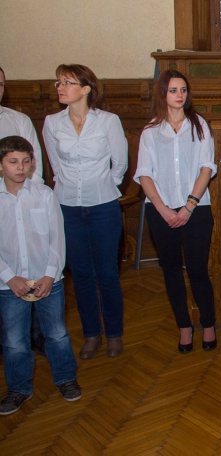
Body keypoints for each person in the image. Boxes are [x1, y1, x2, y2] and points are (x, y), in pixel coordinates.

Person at [43, 64, 128, 359]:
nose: (60, 88)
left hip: (103, 206)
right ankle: (92, 334)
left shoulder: (108, 121)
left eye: (67, 82)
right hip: (67, 207)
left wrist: (104, 185)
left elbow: (120, 163)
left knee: (107, 273)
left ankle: (114, 334)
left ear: (86, 89)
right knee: (80, 274)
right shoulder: (52, 123)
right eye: (58, 82)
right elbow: (55, 166)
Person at [135, 70, 218, 354]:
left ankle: (208, 324)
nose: (179, 95)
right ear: (163, 94)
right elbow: (144, 174)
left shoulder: (199, 125)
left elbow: (207, 167)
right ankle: (184, 326)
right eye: (173, 90)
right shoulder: (150, 131)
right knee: (171, 270)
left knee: (197, 270)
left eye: (183, 90)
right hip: (161, 210)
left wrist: (188, 206)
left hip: (196, 210)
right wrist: (163, 209)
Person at [0, 135, 81, 415]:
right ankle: (19, 388)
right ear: (1, 165)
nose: (20, 167)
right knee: (14, 340)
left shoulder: (44, 194)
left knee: (56, 333)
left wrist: (50, 274)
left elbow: (57, 237)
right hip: (9, 284)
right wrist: (9, 277)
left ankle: (66, 378)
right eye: (13, 162)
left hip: (48, 280)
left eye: (25, 161)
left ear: (32, 163)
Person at [0, 66, 46, 355]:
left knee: (28, 267)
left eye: (0, 84)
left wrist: (29, 202)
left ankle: (35, 334)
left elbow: (35, 166)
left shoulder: (18, 120)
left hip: (22, 203)